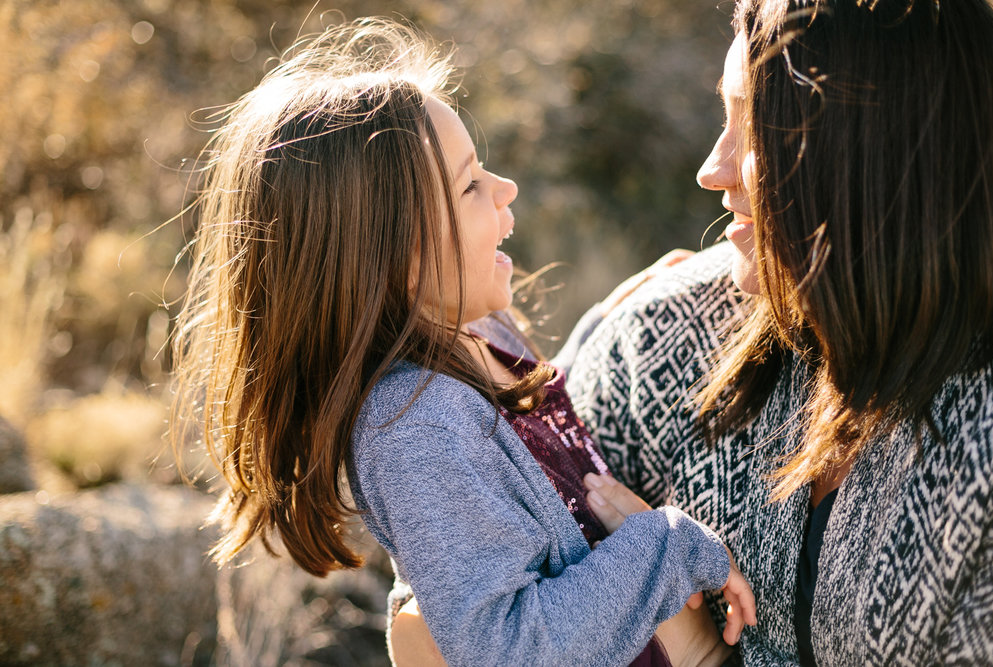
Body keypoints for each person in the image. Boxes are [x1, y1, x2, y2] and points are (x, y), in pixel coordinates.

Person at [169, 18, 757, 667]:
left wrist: (620, 313)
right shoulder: (413, 425)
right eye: (471, 184)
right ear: (394, 254)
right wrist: (668, 545)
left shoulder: (477, 338)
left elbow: (538, 449)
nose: (506, 189)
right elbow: (509, 647)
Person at [566, 0, 993, 664]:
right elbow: (444, 597)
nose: (712, 168)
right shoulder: (672, 332)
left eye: (754, 125)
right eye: (723, 115)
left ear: (868, 152)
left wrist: (691, 643)